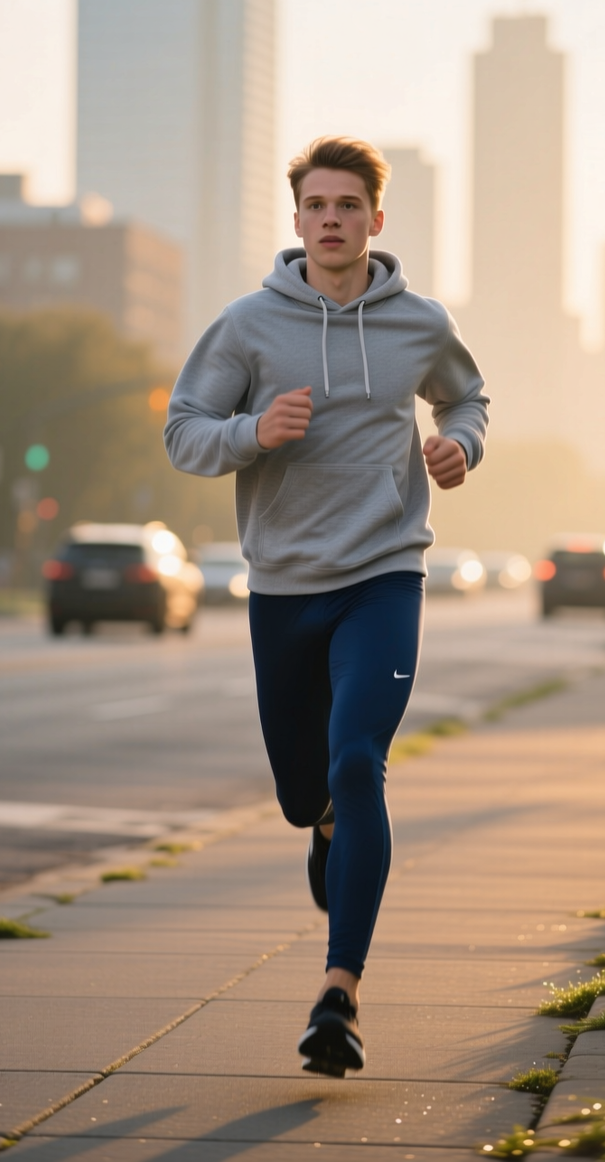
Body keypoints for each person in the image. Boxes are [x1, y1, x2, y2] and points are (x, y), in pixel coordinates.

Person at [164, 136, 488, 1077]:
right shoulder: (247, 327)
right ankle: (327, 825)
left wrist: (462, 447)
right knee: (305, 789)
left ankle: (338, 994)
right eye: (317, 205)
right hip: (284, 587)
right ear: (297, 217)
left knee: (359, 762)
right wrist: (253, 430)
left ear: (376, 221)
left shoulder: (418, 323)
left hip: (385, 574)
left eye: (350, 205)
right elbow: (184, 433)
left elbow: (467, 400)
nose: (333, 219)